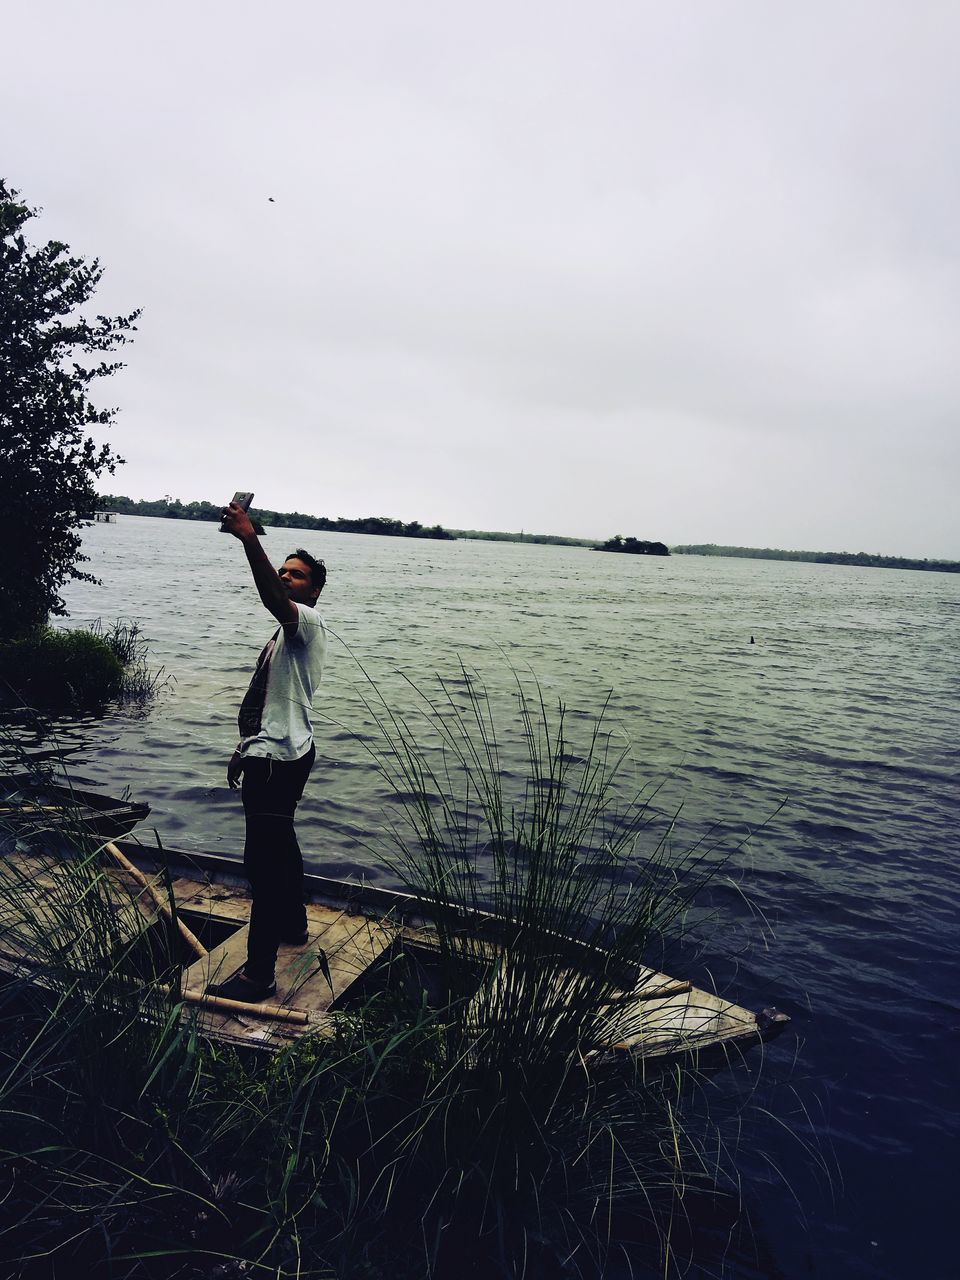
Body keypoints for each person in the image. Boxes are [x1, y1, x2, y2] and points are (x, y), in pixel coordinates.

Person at [211, 501, 327, 1002]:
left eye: (296, 576)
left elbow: (271, 597)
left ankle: (259, 975)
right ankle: (295, 926)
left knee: (262, 865)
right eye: (283, 572)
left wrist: (246, 538)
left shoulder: (305, 623)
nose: (286, 579)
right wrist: (244, 749)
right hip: (282, 750)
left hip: (279, 761)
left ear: (314, 590)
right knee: (283, 843)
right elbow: (268, 703)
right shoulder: (286, 633)